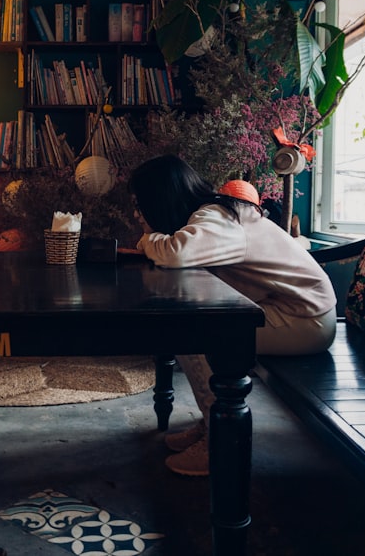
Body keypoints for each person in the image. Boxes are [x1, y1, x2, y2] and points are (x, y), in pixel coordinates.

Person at [129, 155, 337, 476]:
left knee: (193, 332)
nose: (138, 214)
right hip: (295, 310)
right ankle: (212, 420)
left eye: (141, 205)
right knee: (192, 320)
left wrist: (147, 240)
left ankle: (219, 440)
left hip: (305, 319)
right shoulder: (214, 215)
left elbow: (177, 253)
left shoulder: (217, 219)